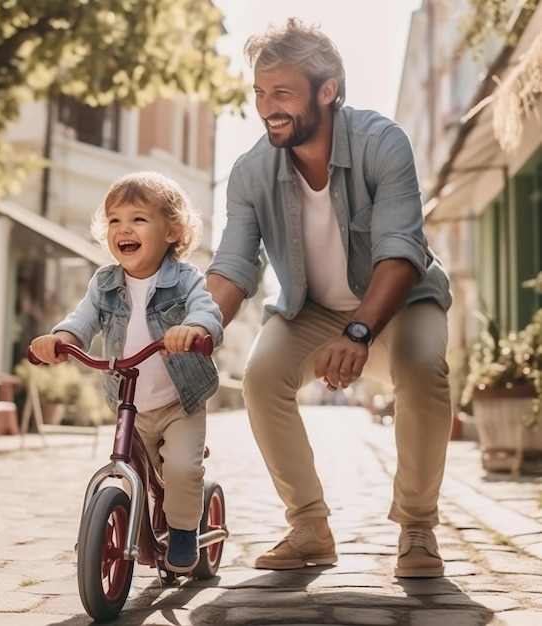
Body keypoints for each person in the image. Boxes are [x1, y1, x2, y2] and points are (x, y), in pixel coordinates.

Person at [206, 18, 453, 578]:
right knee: (263, 378)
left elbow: (401, 250)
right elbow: (233, 270)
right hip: (310, 309)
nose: (268, 107)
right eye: (261, 94)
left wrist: (361, 330)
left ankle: (417, 527)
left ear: (328, 89)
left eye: (283, 93)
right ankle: (309, 526)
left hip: (401, 299)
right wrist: (197, 331)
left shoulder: (381, 141)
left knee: (421, 370)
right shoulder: (251, 173)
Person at [30, 171, 223, 574]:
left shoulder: (186, 279)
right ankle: (122, 524)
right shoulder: (104, 283)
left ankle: (185, 529)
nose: (124, 229)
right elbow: (82, 319)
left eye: (138, 218)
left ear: (172, 231)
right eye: (115, 220)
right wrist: (61, 339)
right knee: (131, 469)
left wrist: (196, 329)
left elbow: (208, 311)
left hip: (179, 402)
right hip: (128, 406)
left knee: (183, 470)